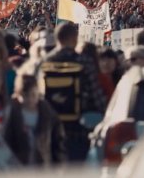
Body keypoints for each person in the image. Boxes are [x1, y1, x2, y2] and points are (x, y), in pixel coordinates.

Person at [42, 22, 106, 162]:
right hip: (78, 128)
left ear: (57, 38)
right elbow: (95, 94)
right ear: (75, 38)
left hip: (50, 127)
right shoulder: (83, 60)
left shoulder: (44, 61)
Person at [6, 74, 66, 166]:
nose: (30, 99)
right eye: (25, 96)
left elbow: (58, 141)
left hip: (42, 165)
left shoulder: (47, 114)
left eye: (33, 95)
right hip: (19, 165)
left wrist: (59, 165)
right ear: (17, 95)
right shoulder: (12, 113)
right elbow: (8, 140)